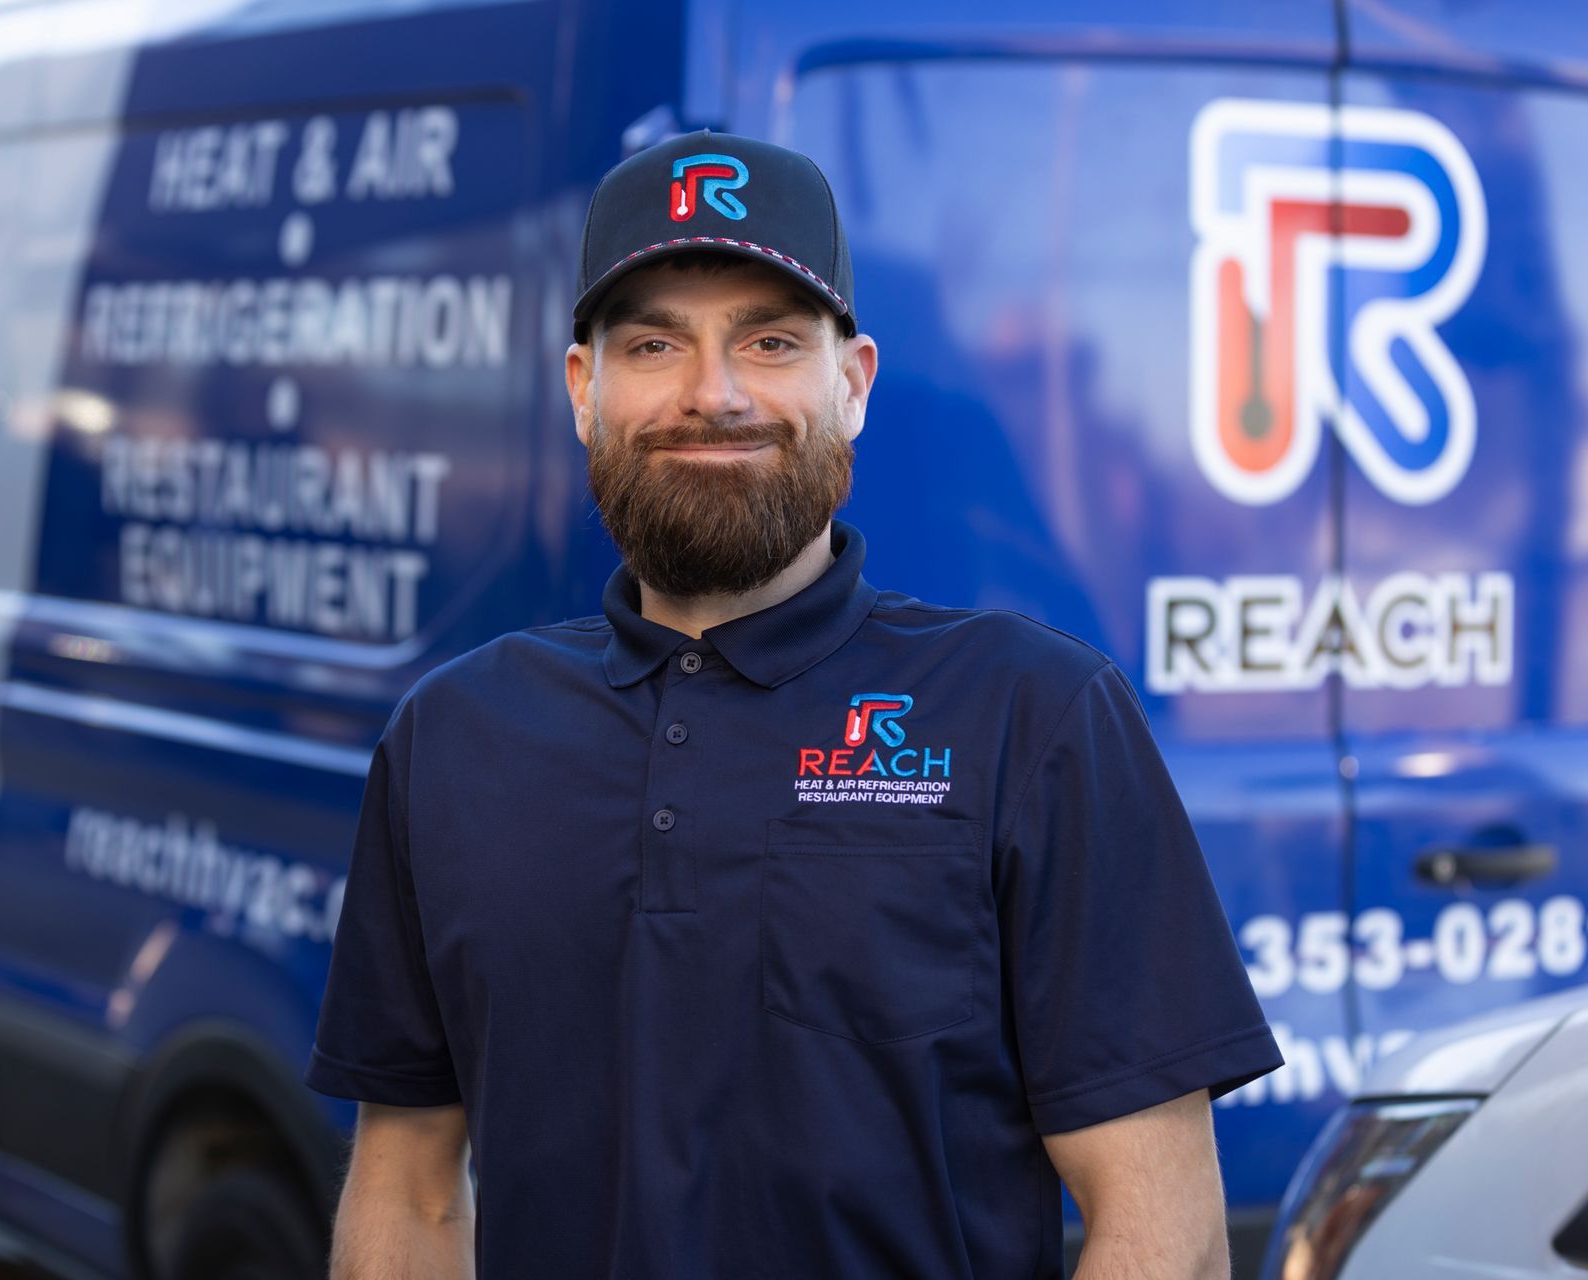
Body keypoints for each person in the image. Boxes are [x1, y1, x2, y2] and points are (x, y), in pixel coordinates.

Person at [305, 130, 1283, 1279]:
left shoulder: (1034, 715)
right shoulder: (453, 738)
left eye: (769, 341)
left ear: (853, 382)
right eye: (654, 343)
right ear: (584, 389)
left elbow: (1162, 1227)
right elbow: (408, 1189)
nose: (711, 393)